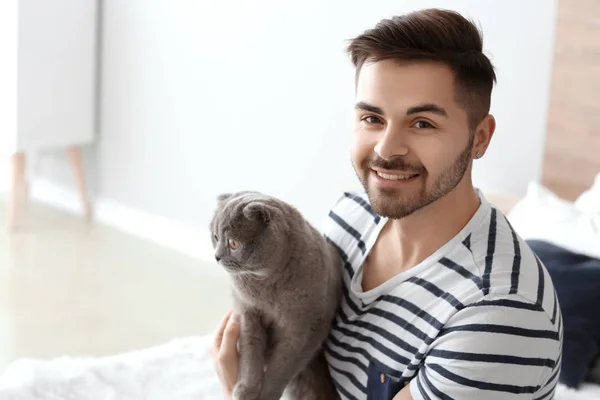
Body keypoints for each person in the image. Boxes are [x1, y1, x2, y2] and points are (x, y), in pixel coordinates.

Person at [212, 8, 563, 400]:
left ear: (479, 137)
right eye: (372, 118)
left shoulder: (498, 314)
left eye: (422, 123)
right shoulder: (349, 217)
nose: (386, 149)